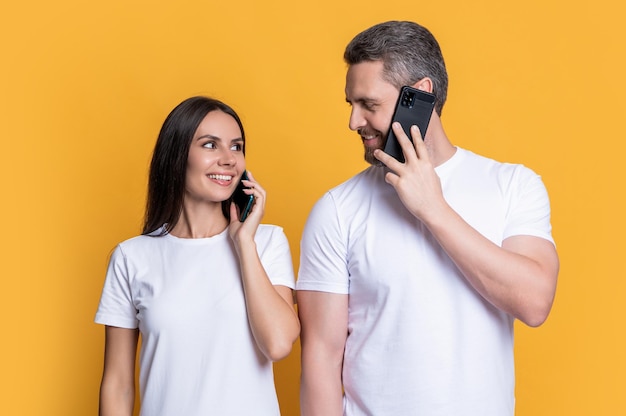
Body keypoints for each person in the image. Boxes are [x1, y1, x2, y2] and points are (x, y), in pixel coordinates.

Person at [296, 21, 559, 416]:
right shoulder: (337, 209)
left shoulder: (514, 186)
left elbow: (535, 302)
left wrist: (433, 209)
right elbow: (320, 357)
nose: (353, 122)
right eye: (351, 105)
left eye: (368, 105)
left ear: (418, 96)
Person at [95, 96, 300, 416]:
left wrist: (244, 242)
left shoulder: (267, 241)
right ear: (177, 157)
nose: (228, 159)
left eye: (236, 146)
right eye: (210, 145)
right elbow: (118, 383)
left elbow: (277, 343)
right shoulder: (131, 257)